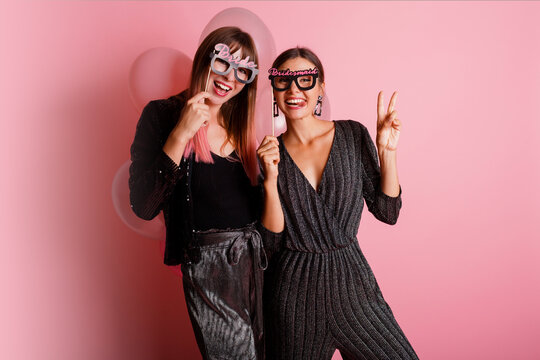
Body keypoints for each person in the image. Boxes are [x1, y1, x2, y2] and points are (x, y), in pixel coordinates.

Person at [257, 47, 419, 359]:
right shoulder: (268, 152)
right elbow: (271, 242)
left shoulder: (351, 134)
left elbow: (387, 212)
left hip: (352, 285)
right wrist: (269, 178)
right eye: (284, 81)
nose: (294, 90)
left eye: (306, 80)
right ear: (274, 89)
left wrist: (387, 151)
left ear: (321, 88)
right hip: (293, 296)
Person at [129, 26, 280, 360]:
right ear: (205, 58)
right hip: (209, 267)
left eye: (244, 71)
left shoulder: (242, 131)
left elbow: (260, 217)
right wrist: (181, 134)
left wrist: (271, 180)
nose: (230, 77)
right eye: (223, 62)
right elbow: (143, 205)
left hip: (255, 263)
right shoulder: (162, 115)